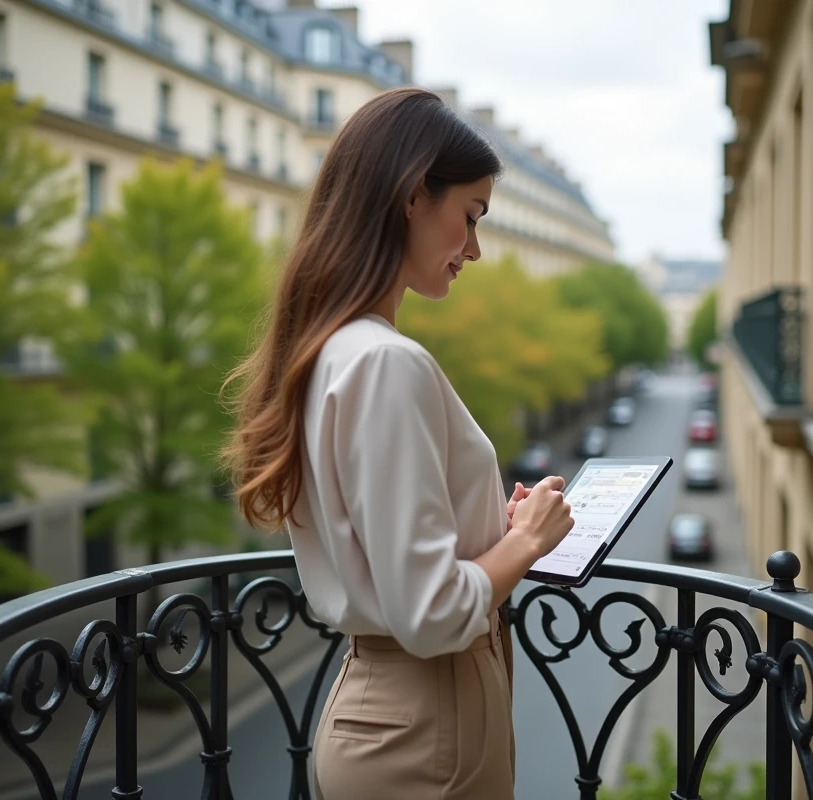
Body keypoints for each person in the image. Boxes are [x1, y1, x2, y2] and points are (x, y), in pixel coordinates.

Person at [221, 87, 575, 799]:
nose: (474, 249)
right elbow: (432, 612)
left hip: (392, 712)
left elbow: (385, 552)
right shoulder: (385, 362)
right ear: (413, 195)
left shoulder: (328, 351)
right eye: (469, 216)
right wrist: (528, 540)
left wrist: (490, 527)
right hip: (429, 724)